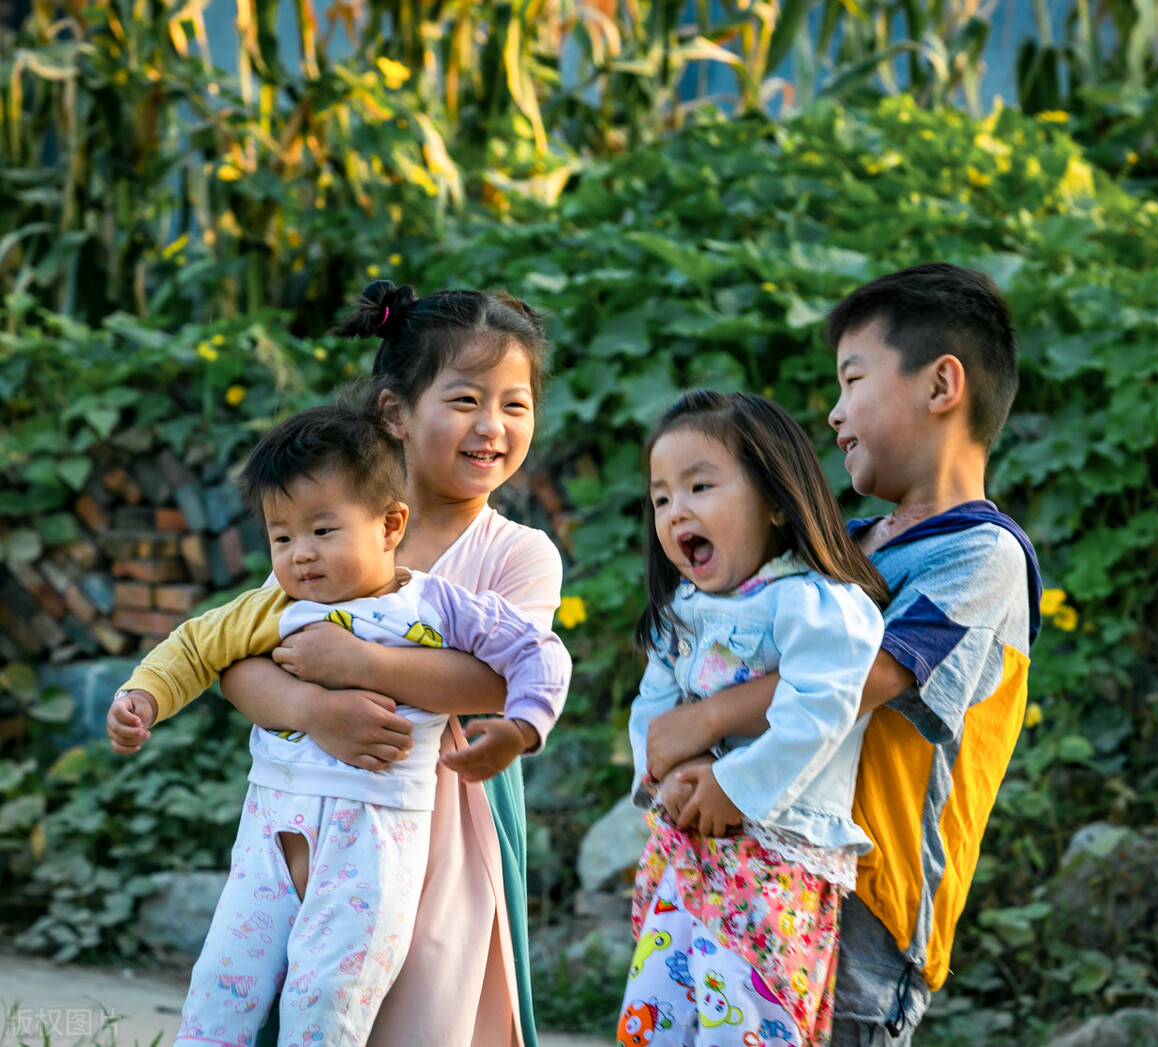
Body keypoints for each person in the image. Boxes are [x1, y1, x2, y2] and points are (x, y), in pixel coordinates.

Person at [639, 263, 1043, 1046]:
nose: (832, 412)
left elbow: (858, 679)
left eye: (852, 379)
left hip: (874, 899)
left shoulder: (980, 556)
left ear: (942, 385)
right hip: (771, 868)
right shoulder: (845, 548)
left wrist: (703, 727)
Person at [106, 401, 571, 1046]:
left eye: (322, 531)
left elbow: (535, 652)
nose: (300, 555)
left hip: (374, 839)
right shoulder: (277, 605)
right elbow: (196, 647)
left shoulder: (437, 607)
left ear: (389, 525)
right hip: (271, 833)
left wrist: (523, 727)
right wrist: (142, 696)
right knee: (221, 987)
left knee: (327, 1000)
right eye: (281, 536)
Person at [214, 282, 562, 1047]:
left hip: (450, 816)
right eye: (466, 399)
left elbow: (499, 680)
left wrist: (357, 661)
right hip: (317, 808)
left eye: (515, 403)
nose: (492, 426)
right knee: (310, 999)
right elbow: (236, 654)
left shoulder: (517, 554)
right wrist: (310, 708)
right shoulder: (335, 531)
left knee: (422, 1006)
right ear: (394, 410)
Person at [619, 390, 891, 1047]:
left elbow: (820, 705)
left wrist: (734, 783)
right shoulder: (682, 609)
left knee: (746, 1022)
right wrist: (669, 773)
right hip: (684, 851)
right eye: (661, 498)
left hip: (773, 864)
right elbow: (653, 710)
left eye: (700, 485)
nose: (676, 509)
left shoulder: (817, 603)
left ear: (775, 499)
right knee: (660, 1018)